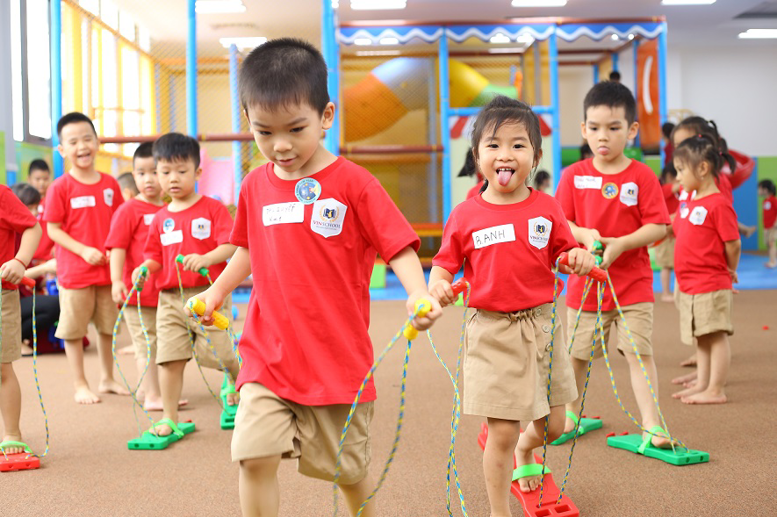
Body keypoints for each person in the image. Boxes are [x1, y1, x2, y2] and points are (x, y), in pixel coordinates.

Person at [191, 38, 440, 517]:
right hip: (268, 355)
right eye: (264, 132)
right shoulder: (255, 185)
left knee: (345, 472)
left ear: (326, 116)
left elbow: (398, 245)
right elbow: (248, 249)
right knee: (253, 455)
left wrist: (418, 293)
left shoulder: (355, 183)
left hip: (335, 360)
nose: (280, 145)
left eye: (295, 129)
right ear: (247, 121)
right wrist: (217, 290)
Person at [428, 95, 593, 514]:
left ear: (535, 156)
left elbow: (563, 253)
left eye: (518, 145)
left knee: (555, 426)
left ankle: (525, 449)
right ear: (477, 156)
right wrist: (439, 288)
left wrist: (576, 257)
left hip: (543, 326)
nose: (505, 154)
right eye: (493, 145)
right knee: (501, 432)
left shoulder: (547, 207)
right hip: (491, 331)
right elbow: (443, 267)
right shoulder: (464, 215)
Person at [555, 81, 673, 450]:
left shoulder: (642, 175)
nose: (602, 136)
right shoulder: (572, 175)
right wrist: (584, 233)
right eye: (594, 128)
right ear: (583, 129)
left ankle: (652, 424)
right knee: (577, 356)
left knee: (639, 353)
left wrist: (622, 243)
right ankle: (571, 414)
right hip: (585, 286)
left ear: (632, 129)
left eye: (613, 127)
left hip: (633, 285)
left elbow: (660, 225)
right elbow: (560, 223)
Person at [133, 133, 239, 439]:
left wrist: (206, 257)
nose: (172, 178)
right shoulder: (159, 219)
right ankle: (170, 418)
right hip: (169, 299)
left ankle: (237, 380)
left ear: (198, 172)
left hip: (209, 294)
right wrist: (143, 269)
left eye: (181, 171)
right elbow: (154, 257)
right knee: (169, 358)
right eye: (165, 172)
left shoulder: (213, 209)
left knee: (221, 354)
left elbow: (232, 245)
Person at [44, 112, 128, 404]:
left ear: (97, 142)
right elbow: (53, 229)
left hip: (107, 272)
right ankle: (80, 384)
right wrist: (83, 250)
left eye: (87, 139)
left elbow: (120, 223)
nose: (82, 146)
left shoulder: (110, 184)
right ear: (62, 149)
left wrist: (115, 251)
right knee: (74, 330)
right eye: (73, 141)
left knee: (107, 327)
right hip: (75, 273)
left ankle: (107, 378)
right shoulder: (60, 187)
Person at [670, 135, 740, 405]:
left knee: (716, 335)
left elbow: (733, 244)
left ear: (702, 168)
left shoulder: (718, 203)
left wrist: (730, 270)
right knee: (701, 335)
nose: (678, 177)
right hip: (690, 283)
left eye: (681, 170)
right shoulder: (690, 202)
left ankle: (715, 389)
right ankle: (702, 382)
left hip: (711, 282)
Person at [106, 142, 174, 411]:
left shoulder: (169, 210)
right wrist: (116, 281)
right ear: (133, 175)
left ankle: (149, 388)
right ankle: (153, 396)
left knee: (161, 343)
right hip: (136, 293)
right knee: (146, 344)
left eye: (155, 172)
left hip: (164, 292)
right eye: (141, 173)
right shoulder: (129, 210)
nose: (148, 179)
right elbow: (117, 247)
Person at [0, 184, 42, 455]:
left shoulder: (1, 194)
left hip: (1, 292)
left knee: (2, 367)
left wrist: (20, 260)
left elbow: (32, 227)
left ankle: (12, 433)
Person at [671, 117, 756, 237]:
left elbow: (724, 219)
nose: (680, 151)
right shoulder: (686, 183)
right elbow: (683, 213)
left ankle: (744, 229)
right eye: (677, 146)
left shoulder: (717, 183)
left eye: (685, 144)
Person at [10, 184, 60, 355]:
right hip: (7, 298)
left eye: (35, 208)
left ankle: (16, 339)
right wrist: (44, 268)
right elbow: (8, 276)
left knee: (60, 302)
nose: (33, 213)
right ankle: (14, 340)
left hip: (19, 297)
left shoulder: (25, 234)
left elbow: (33, 279)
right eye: (28, 207)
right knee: (55, 305)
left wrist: (50, 275)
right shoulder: (9, 235)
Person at [656, 165, 680, 302]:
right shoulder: (664, 189)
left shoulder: (674, 192)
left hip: (675, 233)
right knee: (666, 265)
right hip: (666, 235)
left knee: (677, 265)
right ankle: (665, 293)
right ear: (671, 177)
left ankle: (675, 292)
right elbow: (677, 187)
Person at [758, 179, 777, 268]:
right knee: (767, 243)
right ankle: (772, 259)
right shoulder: (765, 201)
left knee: (771, 242)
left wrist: (776, 223)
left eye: (759, 189)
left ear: (765, 190)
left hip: (773, 226)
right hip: (766, 226)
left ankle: (773, 261)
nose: (758, 191)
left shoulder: (773, 200)